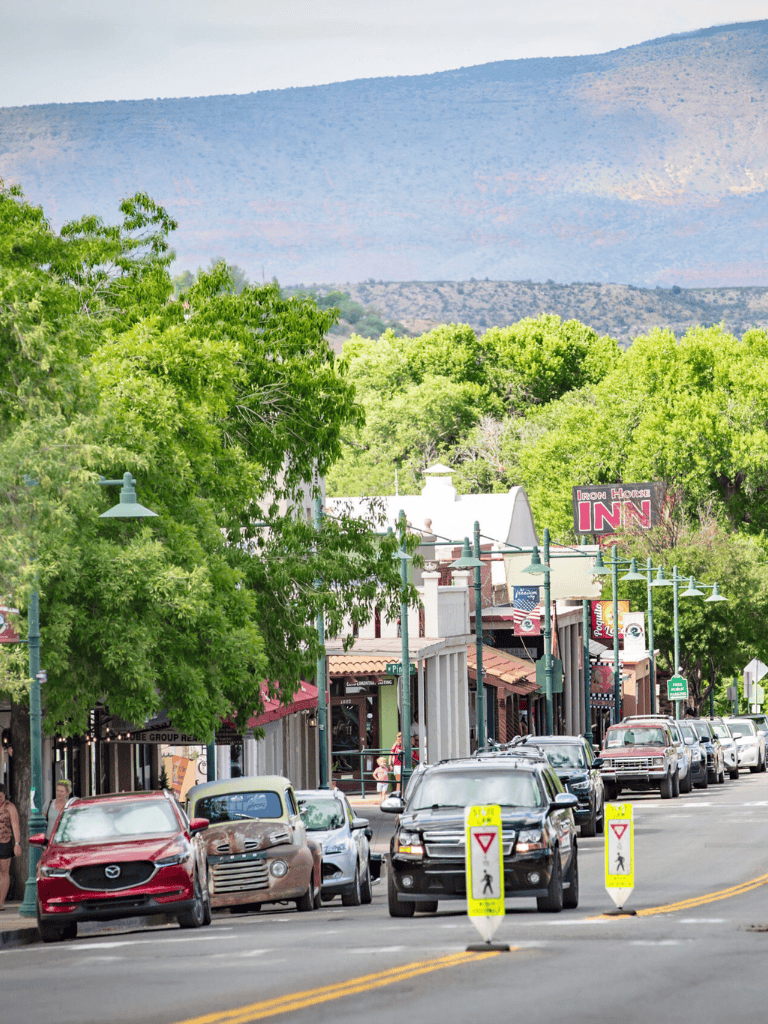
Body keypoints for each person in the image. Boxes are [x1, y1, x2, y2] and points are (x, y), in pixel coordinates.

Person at [0, 783, 21, 911]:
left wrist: (17, 844)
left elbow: (15, 826)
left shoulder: (10, 807)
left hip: (5, 841)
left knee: (4, 871)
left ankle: (0, 902)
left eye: (1, 796)